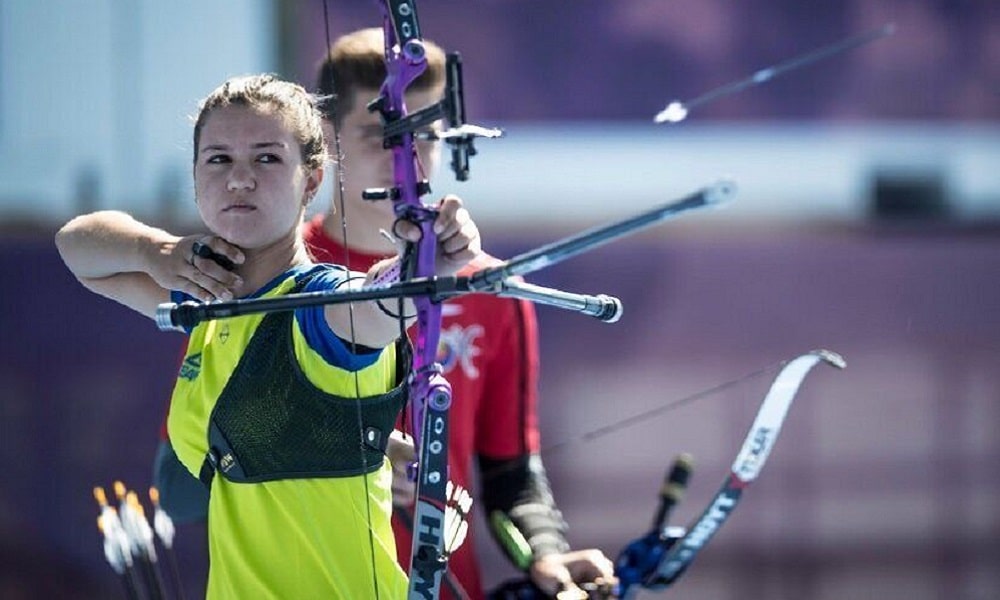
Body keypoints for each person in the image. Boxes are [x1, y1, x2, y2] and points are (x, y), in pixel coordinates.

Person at [152, 28, 616, 599]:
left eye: (427, 134)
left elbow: (510, 473)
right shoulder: (255, 274)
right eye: (382, 135)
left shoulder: (492, 291)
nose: (409, 157)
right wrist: (331, 449)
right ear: (327, 145)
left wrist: (546, 555)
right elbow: (180, 484)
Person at [56, 73, 482, 599]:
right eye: (218, 159)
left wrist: (424, 257)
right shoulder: (209, 299)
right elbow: (77, 250)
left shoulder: (323, 307)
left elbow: (380, 301)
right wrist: (155, 251)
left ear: (311, 178)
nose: (239, 179)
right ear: (194, 175)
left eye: (266, 158)